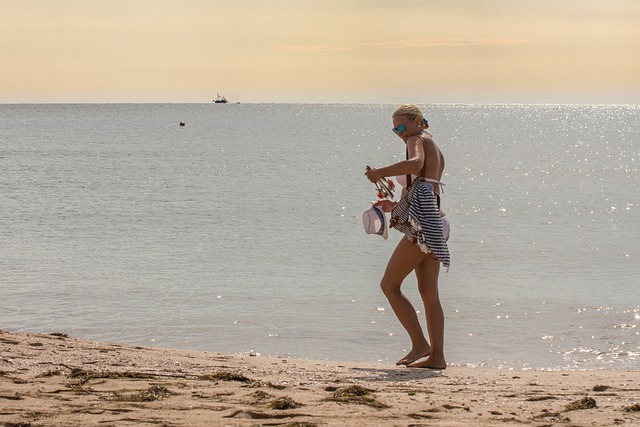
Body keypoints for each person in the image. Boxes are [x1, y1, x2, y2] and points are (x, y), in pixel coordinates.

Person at [364, 104, 450, 369]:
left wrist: (380, 172)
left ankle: (420, 345)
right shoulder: (431, 143)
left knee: (389, 286)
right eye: (395, 129)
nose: (399, 133)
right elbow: (424, 187)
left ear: (418, 121)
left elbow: (415, 164)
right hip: (437, 222)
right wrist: (393, 207)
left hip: (423, 226)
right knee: (429, 293)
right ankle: (437, 358)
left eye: (402, 126)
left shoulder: (416, 139)